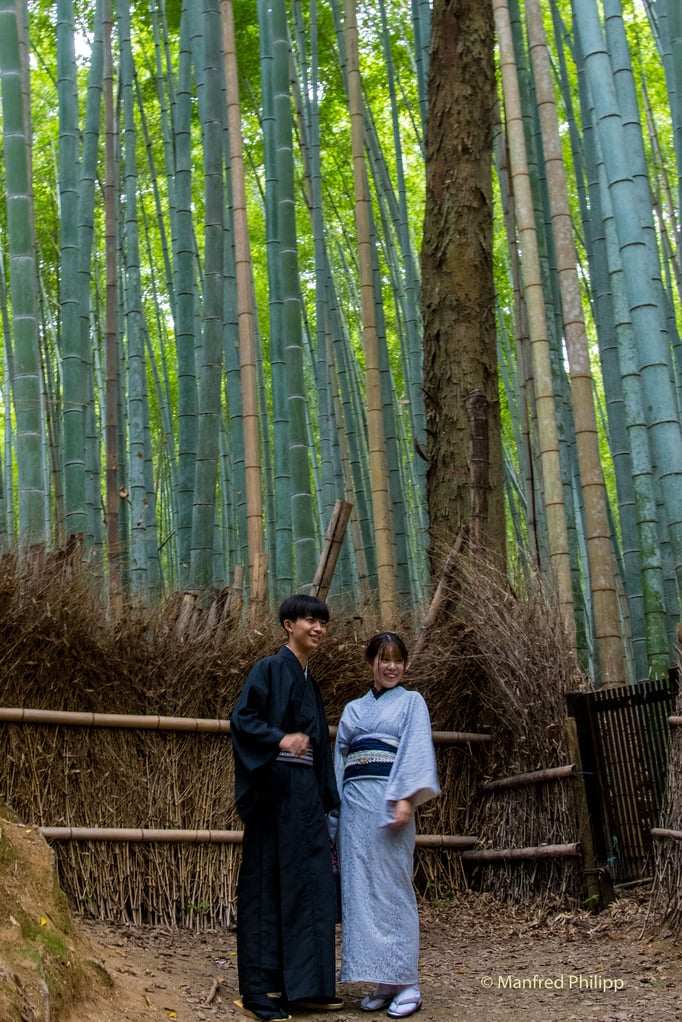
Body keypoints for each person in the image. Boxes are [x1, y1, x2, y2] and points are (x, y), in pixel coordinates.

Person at [230, 594, 343, 1022]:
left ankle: (304, 987)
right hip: (274, 795)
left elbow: (320, 746)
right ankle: (260, 991)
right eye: (310, 620)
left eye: (323, 622)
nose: (318, 628)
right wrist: (280, 739)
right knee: (266, 886)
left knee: (308, 886)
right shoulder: (270, 668)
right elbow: (243, 720)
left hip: (307, 800)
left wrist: (326, 801)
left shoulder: (309, 680)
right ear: (287, 625)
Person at [333, 632, 440, 1019]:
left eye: (397, 660)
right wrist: (336, 812)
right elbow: (340, 759)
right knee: (359, 890)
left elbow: (415, 750)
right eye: (383, 659)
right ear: (371, 664)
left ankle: (407, 980)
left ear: (405, 666)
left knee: (394, 889)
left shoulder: (412, 703)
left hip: (391, 803)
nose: (390, 667)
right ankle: (384, 979)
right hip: (355, 809)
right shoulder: (353, 710)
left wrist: (406, 798)